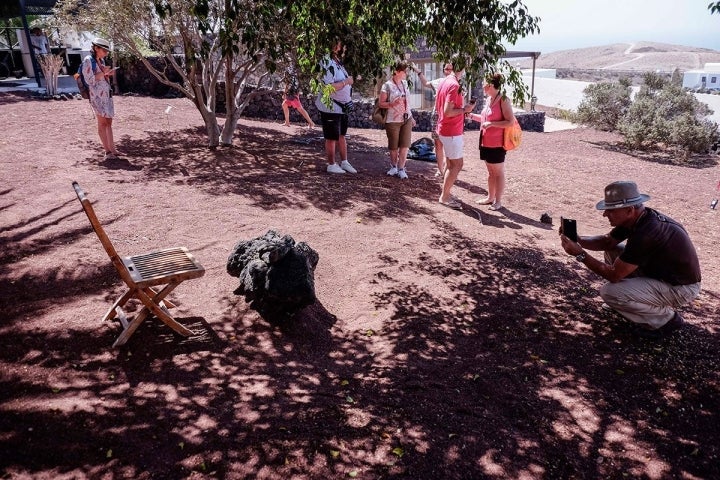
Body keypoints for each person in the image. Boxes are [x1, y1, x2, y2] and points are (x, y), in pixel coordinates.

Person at [559, 180, 702, 340]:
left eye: (610, 210)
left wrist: (581, 254)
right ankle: (627, 300)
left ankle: (666, 320)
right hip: (661, 274)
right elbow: (607, 241)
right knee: (614, 249)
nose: (605, 214)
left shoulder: (647, 233)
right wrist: (579, 240)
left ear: (629, 210)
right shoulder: (639, 218)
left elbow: (613, 275)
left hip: (680, 287)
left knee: (609, 292)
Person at [467, 73, 516, 211]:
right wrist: (470, 115)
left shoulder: (503, 100)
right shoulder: (489, 99)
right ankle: (490, 197)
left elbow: (510, 121)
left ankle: (498, 201)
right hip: (485, 142)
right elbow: (484, 120)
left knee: (498, 172)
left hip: (497, 143)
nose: (483, 86)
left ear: (492, 85)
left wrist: (492, 124)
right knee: (490, 172)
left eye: (485, 84)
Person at [435, 62, 476, 209]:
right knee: (457, 165)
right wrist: (465, 109)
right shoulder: (454, 85)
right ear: (463, 67)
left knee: (451, 164)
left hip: (445, 130)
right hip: (451, 130)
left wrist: (463, 109)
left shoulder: (445, 81)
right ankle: (445, 197)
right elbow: (448, 111)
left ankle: (445, 194)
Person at [315, 40, 357, 175]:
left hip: (342, 106)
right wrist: (346, 82)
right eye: (338, 44)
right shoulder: (326, 62)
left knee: (341, 135)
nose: (341, 47)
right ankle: (331, 164)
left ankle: (344, 162)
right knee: (331, 137)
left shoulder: (337, 61)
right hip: (331, 106)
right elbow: (328, 88)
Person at [83, 38, 120, 160]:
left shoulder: (100, 60)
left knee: (108, 122)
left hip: (106, 96)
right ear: (96, 48)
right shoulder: (88, 61)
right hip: (97, 97)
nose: (105, 53)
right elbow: (90, 80)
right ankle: (108, 152)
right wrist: (103, 73)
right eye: (104, 50)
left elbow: (101, 77)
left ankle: (112, 149)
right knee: (103, 123)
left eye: (106, 51)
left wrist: (107, 74)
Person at [379, 61, 415, 180]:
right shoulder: (387, 85)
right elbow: (381, 103)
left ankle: (401, 168)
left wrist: (412, 116)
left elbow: (408, 103)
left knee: (405, 145)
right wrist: (392, 103)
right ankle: (393, 166)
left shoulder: (405, 83)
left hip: (406, 118)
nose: (406, 73)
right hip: (392, 119)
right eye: (404, 71)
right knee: (393, 146)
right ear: (397, 71)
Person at [417, 62, 453, 178]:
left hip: (449, 115)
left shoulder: (456, 84)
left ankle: (448, 169)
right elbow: (425, 83)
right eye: (446, 69)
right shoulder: (439, 82)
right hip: (437, 113)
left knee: (448, 144)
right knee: (438, 144)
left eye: (450, 69)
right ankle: (440, 169)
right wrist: (418, 72)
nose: (448, 71)